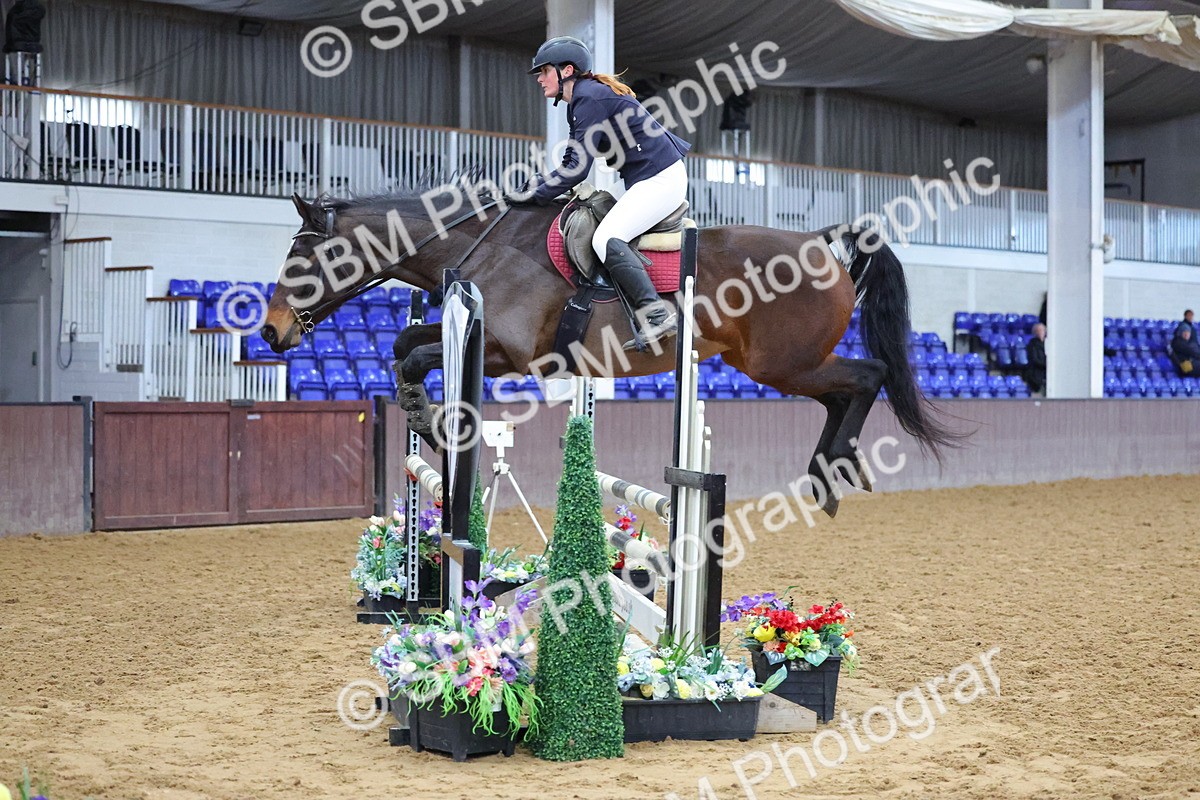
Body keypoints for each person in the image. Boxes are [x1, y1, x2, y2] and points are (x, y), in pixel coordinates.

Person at [510, 36, 691, 350]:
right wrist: (538, 185)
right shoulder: (582, 99)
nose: (540, 79)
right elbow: (571, 163)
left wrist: (537, 196)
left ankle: (657, 315)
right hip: (645, 178)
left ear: (567, 70)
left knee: (605, 239)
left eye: (544, 72)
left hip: (660, 179)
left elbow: (577, 170)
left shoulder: (589, 97)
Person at [1025, 322, 1046, 394]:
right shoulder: (1032, 344)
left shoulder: (1047, 343)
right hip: (1035, 376)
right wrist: (1046, 364)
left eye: (1043, 330)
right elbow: (1035, 359)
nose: (1042, 332)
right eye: (1039, 330)